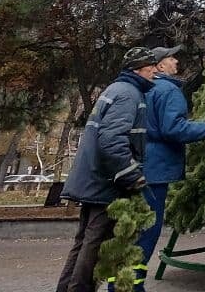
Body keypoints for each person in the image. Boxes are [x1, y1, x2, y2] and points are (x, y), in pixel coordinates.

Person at [55, 48, 158, 292]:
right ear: (138, 69)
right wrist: (132, 176)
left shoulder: (115, 90)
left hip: (93, 178)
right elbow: (111, 140)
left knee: (84, 243)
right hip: (105, 183)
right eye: (151, 66)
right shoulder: (128, 94)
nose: (155, 70)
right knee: (96, 244)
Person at [135, 46, 205, 287]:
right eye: (171, 58)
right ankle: (134, 283)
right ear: (160, 66)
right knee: (149, 229)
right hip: (157, 169)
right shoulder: (168, 91)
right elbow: (173, 129)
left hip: (138, 164)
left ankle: (119, 283)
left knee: (133, 228)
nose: (176, 61)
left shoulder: (143, 90)